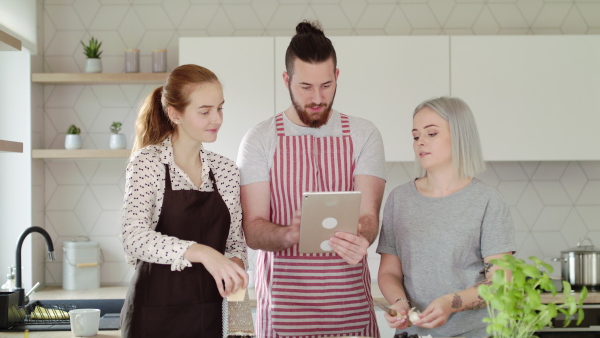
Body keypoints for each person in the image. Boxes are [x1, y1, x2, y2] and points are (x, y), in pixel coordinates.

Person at [237, 20, 386, 338]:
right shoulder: (260, 139)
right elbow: (253, 229)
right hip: (283, 314)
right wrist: (289, 234)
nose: (317, 98)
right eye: (305, 87)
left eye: (326, 85)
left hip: (350, 312)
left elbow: (369, 217)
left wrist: (361, 236)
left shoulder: (364, 135)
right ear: (286, 80)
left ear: (337, 77)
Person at [119, 64, 249, 338]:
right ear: (175, 114)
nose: (217, 119)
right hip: (154, 316)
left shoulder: (225, 171)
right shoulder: (148, 162)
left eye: (220, 108)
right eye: (205, 111)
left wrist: (240, 315)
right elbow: (133, 237)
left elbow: (235, 242)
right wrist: (202, 252)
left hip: (210, 316)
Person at [377, 97, 516, 338]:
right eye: (416, 135)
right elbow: (389, 272)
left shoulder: (488, 201)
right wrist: (399, 302)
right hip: (415, 334)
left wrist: (451, 303)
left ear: (460, 136)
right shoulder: (399, 200)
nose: (420, 142)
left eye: (431, 133)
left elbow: (500, 282)